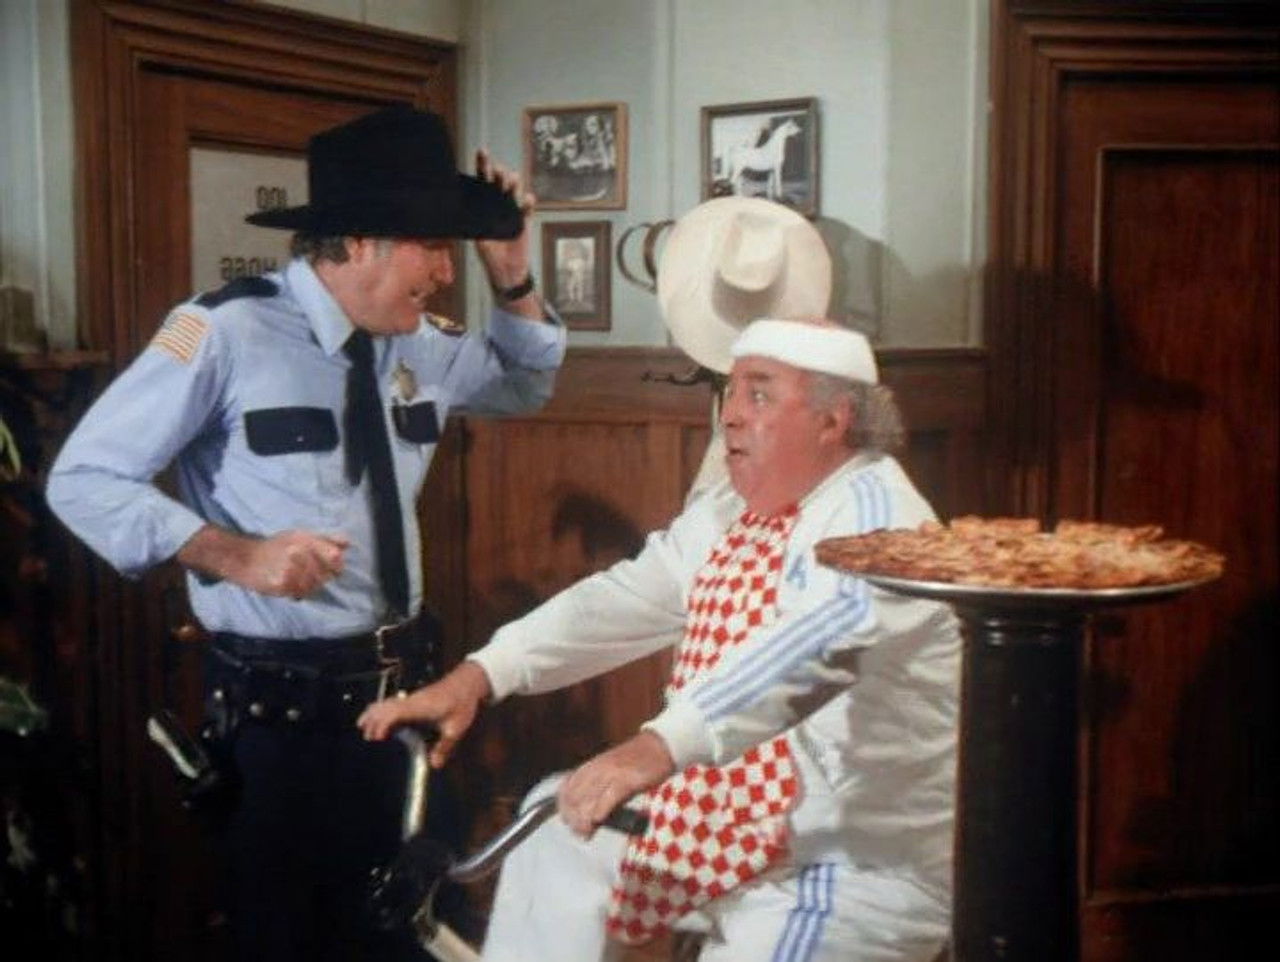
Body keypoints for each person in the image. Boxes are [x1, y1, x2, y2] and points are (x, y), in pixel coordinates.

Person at [45, 104, 566, 961]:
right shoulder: (226, 332)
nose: (447, 272)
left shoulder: (418, 342)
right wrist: (235, 555)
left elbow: (526, 384)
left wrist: (512, 275)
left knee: (413, 938)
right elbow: (84, 479)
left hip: (408, 709)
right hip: (284, 728)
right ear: (358, 241)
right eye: (433, 247)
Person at [359, 316, 961, 962]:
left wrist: (657, 746)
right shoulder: (736, 512)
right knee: (556, 828)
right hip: (731, 830)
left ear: (832, 420)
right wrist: (482, 674)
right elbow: (627, 596)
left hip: (845, 869)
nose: (731, 415)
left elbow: (817, 644)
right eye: (731, 392)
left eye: (759, 394)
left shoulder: (881, 519)